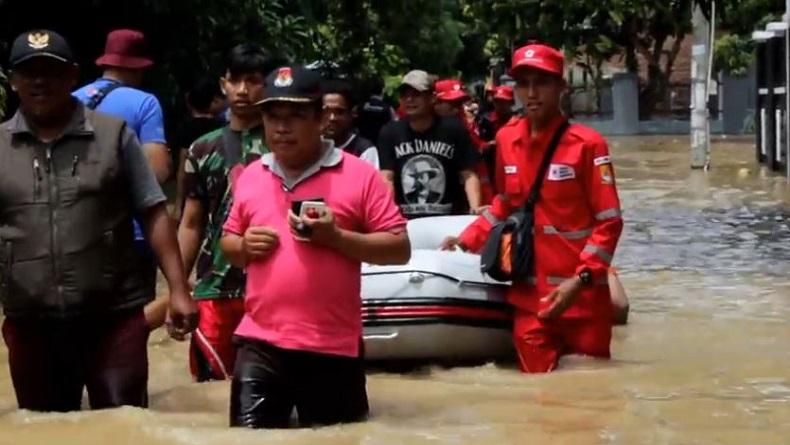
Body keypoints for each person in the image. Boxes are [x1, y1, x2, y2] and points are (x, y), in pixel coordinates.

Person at [0, 30, 197, 412]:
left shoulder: (113, 135)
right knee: (42, 432)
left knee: (124, 425)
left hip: (113, 318)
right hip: (31, 321)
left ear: (73, 76)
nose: (40, 81)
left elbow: (153, 208)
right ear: (13, 80)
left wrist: (177, 289)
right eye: (29, 72)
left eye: (51, 71)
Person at [220, 65, 409, 428]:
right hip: (260, 344)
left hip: (332, 346)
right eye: (273, 116)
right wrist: (243, 247)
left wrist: (337, 238)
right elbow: (227, 242)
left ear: (322, 117)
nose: (282, 127)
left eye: (295, 115)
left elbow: (399, 248)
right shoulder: (252, 175)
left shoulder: (359, 175)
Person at [441, 43, 623, 373]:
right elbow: (505, 204)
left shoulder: (588, 145)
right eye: (523, 84)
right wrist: (467, 239)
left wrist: (579, 280)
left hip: (583, 301)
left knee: (592, 401)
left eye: (542, 82)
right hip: (530, 300)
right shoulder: (507, 140)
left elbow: (609, 223)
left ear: (561, 88)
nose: (532, 92)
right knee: (539, 396)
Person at [178, 44, 276, 382]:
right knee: (210, 394)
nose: (243, 90)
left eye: (253, 81)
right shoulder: (202, 149)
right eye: (235, 81)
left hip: (272, 288)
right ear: (223, 84)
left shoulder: (286, 143)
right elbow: (191, 223)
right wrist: (178, 288)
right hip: (214, 290)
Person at [72, 28, 169, 328]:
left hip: (74, 234)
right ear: (139, 68)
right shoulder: (144, 102)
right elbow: (158, 171)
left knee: (80, 325)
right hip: (131, 236)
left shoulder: (68, 100)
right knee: (127, 329)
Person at [378, 70, 482, 219]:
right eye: (405, 95)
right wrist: (388, 216)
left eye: (416, 94)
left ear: (432, 98)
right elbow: (386, 178)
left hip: (448, 220)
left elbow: (469, 175)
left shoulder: (454, 129)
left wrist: (475, 210)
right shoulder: (390, 132)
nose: (409, 99)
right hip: (406, 222)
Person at [172, 75, 226, 221]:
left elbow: (183, 169)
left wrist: (178, 205)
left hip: (194, 190)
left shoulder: (186, 128)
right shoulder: (222, 128)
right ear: (214, 100)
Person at [433, 78, 494, 206]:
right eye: (450, 103)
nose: (457, 109)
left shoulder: (463, 127)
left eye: (459, 103)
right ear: (434, 103)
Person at [321, 79, 378, 167]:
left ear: (353, 113)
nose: (332, 118)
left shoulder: (364, 150)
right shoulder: (310, 148)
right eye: (326, 112)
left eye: (339, 112)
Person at [355, 75, 395, 143]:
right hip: (381, 146)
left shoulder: (359, 107)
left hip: (363, 145)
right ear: (383, 90)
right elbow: (393, 128)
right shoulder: (388, 109)